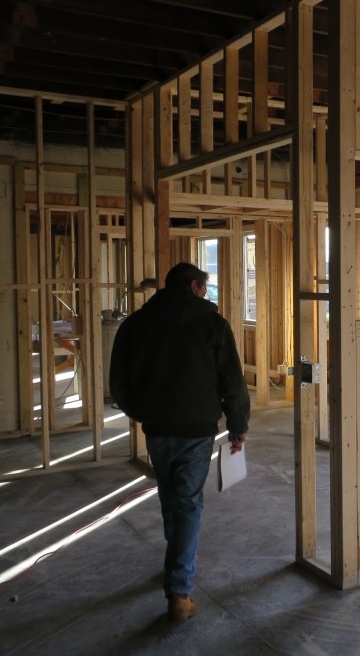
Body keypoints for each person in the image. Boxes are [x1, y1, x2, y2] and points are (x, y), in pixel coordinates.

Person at [109, 262, 249, 624]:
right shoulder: (213, 325)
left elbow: (118, 381)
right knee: (187, 502)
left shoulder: (135, 325)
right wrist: (237, 426)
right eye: (203, 288)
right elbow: (232, 382)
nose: (205, 294)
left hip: (157, 428)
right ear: (192, 286)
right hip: (196, 430)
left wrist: (138, 411)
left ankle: (180, 555)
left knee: (171, 495)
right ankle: (180, 589)